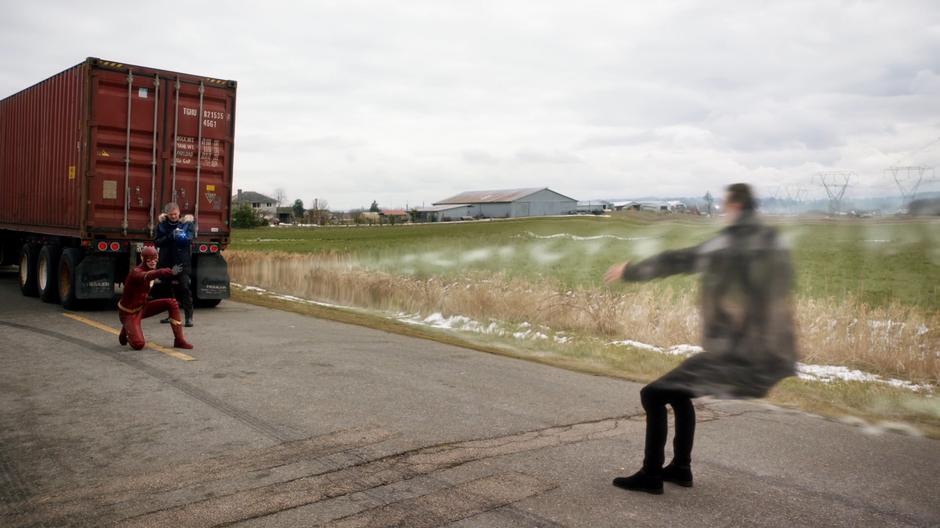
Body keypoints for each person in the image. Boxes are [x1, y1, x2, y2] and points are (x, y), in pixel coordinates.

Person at [603, 183, 797, 495]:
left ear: (734, 206)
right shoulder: (768, 240)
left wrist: (631, 270)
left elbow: (683, 259)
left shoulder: (734, 241)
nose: (722, 211)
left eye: (725, 206)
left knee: (652, 395)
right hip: (758, 350)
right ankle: (680, 468)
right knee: (678, 394)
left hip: (734, 351)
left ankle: (651, 474)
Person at [118, 246, 193, 350]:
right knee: (138, 344)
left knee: (172, 303)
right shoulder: (136, 272)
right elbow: (148, 275)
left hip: (142, 308)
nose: (153, 262)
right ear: (142, 259)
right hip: (128, 313)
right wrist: (168, 271)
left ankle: (179, 340)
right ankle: (127, 328)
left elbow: (153, 273)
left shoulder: (152, 269)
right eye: (149, 260)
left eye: (155, 260)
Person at [155, 202, 195, 327]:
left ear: (179, 213)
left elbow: (190, 239)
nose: (173, 216)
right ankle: (171, 316)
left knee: (184, 288)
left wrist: (182, 237)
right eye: (171, 214)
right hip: (166, 262)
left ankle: (189, 318)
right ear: (167, 214)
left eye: (175, 214)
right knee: (166, 290)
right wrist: (170, 236)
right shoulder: (162, 225)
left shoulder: (186, 224)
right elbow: (157, 242)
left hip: (182, 262)